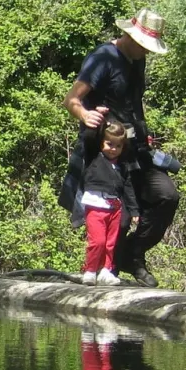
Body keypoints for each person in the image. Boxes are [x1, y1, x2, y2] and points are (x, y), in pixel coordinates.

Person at [60, 8, 180, 287]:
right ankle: (106, 271)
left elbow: (132, 102)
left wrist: (143, 132)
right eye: (144, 46)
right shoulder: (103, 58)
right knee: (119, 218)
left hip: (136, 148)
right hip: (107, 151)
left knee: (166, 195)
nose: (146, 53)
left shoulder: (137, 60)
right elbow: (72, 100)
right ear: (129, 35)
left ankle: (132, 254)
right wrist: (86, 116)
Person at [77, 121, 137, 286]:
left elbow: (128, 188)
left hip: (114, 207)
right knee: (98, 241)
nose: (113, 148)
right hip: (95, 206)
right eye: (109, 144)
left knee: (111, 242)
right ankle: (90, 270)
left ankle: (106, 270)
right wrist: (100, 122)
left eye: (118, 146)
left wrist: (134, 211)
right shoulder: (94, 157)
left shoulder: (122, 166)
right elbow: (89, 137)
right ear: (102, 142)